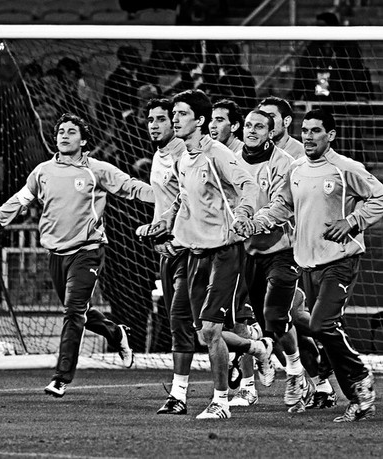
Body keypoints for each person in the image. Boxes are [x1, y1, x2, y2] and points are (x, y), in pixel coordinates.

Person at [0, 113, 144, 397]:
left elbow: (131, 187)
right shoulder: (42, 172)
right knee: (80, 311)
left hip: (87, 251)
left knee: (72, 312)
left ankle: (61, 377)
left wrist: (167, 197)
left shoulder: (97, 170)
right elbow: (18, 201)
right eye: (60, 132)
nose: (64, 136)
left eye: (71, 132)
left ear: (84, 139)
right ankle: (116, 333)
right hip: (56, 253)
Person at [250, 109, 382, 422]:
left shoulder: (345, 168)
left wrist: (353, 220)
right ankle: (358, 399)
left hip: (340, 260)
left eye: (316, 131)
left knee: (322, 324)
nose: (308, 136)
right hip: (306, 264)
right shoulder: (296, 169)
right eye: (305, 130)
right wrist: (257, 223)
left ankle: (360, 374)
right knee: (318, 328)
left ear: (331, 135)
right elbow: (282, 205)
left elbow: (379, 195)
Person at [147, 90, 270, 420]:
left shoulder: (217, 154)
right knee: (202, 331)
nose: (175, 119)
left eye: (182, 114)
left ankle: (220, 401)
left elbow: (248, 186)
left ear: (199, 121)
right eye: (174, 113)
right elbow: (182, 201)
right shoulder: (181, 159)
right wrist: (162, 222)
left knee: (212, 331)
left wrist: (244, 215)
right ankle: (256, 347)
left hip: (224, 253)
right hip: (195, 253)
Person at [231, 110, 315, 412]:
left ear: (271, 132)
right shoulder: (231, 160)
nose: (253, 131)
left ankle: (295, 372)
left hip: (282, 251)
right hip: (246, 252)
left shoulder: (285, 164)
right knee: (250, 320)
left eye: (260, 127)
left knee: (274, 316)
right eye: (249, 125)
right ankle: (262, 360)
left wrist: (254, 221)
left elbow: (282, 204)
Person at [135, 98, 193, 415]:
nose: (154, 124)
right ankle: (255, 346)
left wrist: (167, 229)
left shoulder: (185, 154)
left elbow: (187, 200)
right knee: (184, 323)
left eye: (161, 119)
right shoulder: (159, 156)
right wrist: (157, 233)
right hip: (165, 248)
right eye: (150, 119)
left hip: (188, 248)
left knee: (184, 321)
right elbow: (164, 201)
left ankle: (179, 395)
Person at [292, 11, 373, 102]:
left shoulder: (347, 47)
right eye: (317, 27)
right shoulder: (312, 49)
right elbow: (302, 73)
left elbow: (355, 71)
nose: (318, 30)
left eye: (322, 26)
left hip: (343, 100)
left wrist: (356, 94)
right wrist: (294, 95)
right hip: (317, 100)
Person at [214, 43, 256, 115]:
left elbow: (251, 101)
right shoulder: (215, 73)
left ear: (236, 56)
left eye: (229, 54)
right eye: (223, 54)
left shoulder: (244, 75)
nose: (225, 57)